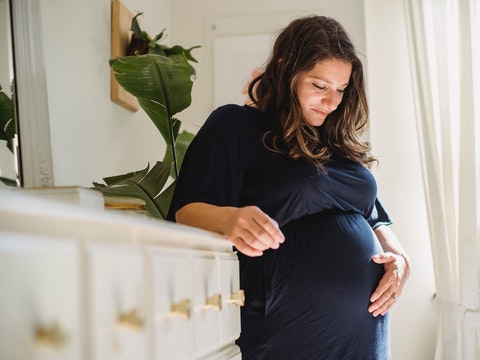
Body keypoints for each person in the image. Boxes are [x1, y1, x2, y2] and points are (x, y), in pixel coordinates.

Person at [167, 15, 410, 360]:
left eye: (341, 89)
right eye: (320, 86)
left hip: (364, 336)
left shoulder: (335, 142)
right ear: (285, 71)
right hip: (286, 332)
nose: (332, 102)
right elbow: (185, 211)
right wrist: (228, 219)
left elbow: (374, 215)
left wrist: (401, 261)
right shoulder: (236, 127)